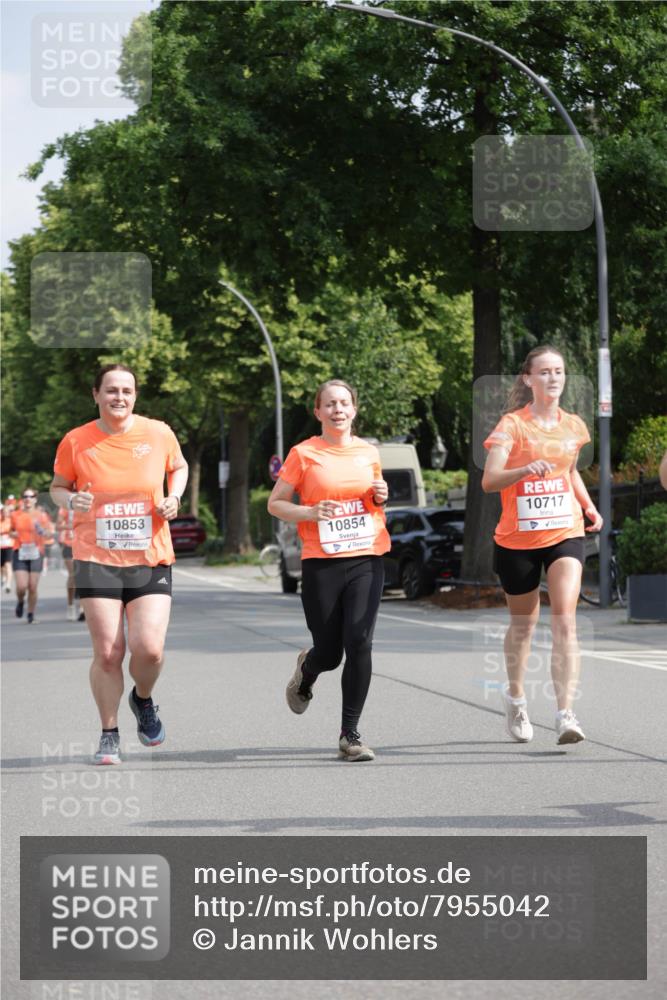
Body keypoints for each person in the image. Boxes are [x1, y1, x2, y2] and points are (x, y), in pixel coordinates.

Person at [50, 364, 188, 765]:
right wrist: (69, 500)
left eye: (126, 390)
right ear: (96, 394)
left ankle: (142, 699)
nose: (119, 397)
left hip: (150, 555)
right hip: (97, 556)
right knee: (109, 653)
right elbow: (58, 487)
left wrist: (174, 497)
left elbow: (177, 467)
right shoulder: (77, 441)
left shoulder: (158, 432)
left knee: (150, 650)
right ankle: (109, 733)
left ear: (135, 395)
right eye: (111, 390)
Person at [482, 345, 603, 745]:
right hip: (517, 540)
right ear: (529, 379)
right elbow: (490, 480)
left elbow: (569, 472)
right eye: (545, 372)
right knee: (524, 625)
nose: (554, 378)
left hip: (563, 532)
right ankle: (515, 698)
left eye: (559, 371)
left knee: (565, 617)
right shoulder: (511, 426)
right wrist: (521, 470)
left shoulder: (574, 426)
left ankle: (565, 713)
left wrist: (587, 506)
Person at [267, 379, 390, 762]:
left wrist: (380, 495)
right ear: (318, 412)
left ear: (354, 410)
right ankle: (307, 670)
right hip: (322, 561)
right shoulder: (304, 454)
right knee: (331, 653)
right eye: (330, 404)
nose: (338, 409)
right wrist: (308, 512)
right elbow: (276, 503)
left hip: (366, 555)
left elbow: (373, 498)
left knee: (360, 641)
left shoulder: (369, 452)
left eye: (344, 403)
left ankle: (350, 735)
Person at [9, 488, 53, 623]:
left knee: (33, 586)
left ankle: (30, 614)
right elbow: (11, 531)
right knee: (22, 586)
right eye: (25, 496)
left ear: (35, 499)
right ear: (22, 499)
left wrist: (45, 533)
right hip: (20, 551)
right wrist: (13, 534)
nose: (28, 499)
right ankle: (21, 601)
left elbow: (49, 532)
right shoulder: (15, 515)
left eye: (31, 496)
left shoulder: (41, 515)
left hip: (36, 552)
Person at [56, 506, 79, 620]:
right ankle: (71, 605)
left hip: (85, 545)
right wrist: (70, 526)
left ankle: (83, 607)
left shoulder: (89, 504)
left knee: (84, 576)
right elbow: (58, 526)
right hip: (68, 544)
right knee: (73, 574)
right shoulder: (65, 507)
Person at [1, 503, 14, 593]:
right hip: (1, 545)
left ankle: (8, 585)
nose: (5, 513)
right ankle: (3, 577)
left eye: (7, 512)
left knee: (8, 564)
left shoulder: (12, 521)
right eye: (3, 512)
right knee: (1, 567)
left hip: (9, 545)